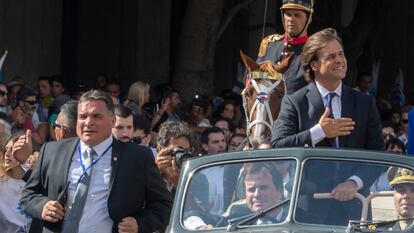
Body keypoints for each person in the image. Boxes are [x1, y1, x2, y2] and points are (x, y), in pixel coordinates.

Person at [272, 28, 384, 225]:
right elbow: (278, 146)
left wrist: (354, 182)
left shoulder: (364, 102)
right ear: (314, 64)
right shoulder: (295, 102)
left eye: (341, 54)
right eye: (331, 57)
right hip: (308, 213)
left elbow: (378, 153)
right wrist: (319, 132)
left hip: (356, 209)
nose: (340, 60)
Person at [20, 90, 172, 233]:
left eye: (96, 116)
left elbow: (163, 205)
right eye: (83, 116)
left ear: (112, 121)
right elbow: (28, 195)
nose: (88, 122)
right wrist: (42, 206)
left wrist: (140, 224)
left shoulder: (138, 157)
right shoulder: (52, 151)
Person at [256, 0, 314, 94]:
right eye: (288, 14)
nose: (291, 19)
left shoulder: (314, 50)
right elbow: (253, 79)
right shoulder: (269, 44)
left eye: (297, 15)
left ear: (309, 18)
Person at [221, 163, 285, 226]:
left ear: (280, 191)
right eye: (251, 190)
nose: (257, 194)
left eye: (263, 187)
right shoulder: (237, 218)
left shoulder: (293, 217)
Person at [0, 133, 34, 233]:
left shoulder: (33, 180)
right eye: (6, 149)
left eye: (13, 150)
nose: (7, 154)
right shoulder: (1, 180)